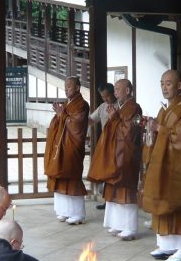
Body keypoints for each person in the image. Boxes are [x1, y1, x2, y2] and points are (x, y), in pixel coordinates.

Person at [141, 70, 181, 261]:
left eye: (168, 83)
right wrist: (150, 127)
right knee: (162, 201)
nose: (164, 87)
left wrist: (160, 129)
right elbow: (159, 133)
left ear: (179, 85)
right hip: (161, 164)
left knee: (177, 203)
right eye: (162, 83)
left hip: (176, 166)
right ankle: (165, 244)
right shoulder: (164, 109)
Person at [87, 79, 142, 240]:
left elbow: (130, 132)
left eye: (118, 89)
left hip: (126, 155)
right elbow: (112, 128)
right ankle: (117, 224)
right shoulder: (119, 107)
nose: (115, 92)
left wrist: (115, 118)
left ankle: (130, 228)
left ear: (128, 90)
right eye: (115, 89)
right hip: (114, 153)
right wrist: (114, 118)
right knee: (114, 188)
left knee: (125, 188)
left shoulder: (134, 107)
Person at [44, 76, 90, 225]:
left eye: (69, 86)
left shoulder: (82, 104)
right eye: (65, 86)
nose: (66, 89)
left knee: (72, 177)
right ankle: (64, 211)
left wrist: (62, 115)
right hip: (61, 145)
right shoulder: (67, 104)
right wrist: (60, 115)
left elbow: (77, 125)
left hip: (72, 146)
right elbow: (59, 121)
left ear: (77, 87)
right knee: (60, 176)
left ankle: (77, 214)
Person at [89, 83, 117, 210]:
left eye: (107, 96)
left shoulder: (120, 106)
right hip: (105, 143)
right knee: (105, 171)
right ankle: (107, 200)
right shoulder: (102, 107)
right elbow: (90, 120)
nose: (106, 99)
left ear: (114, 93)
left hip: (117, 143)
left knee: (114, 173)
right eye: (103, 97)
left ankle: (115, 200)